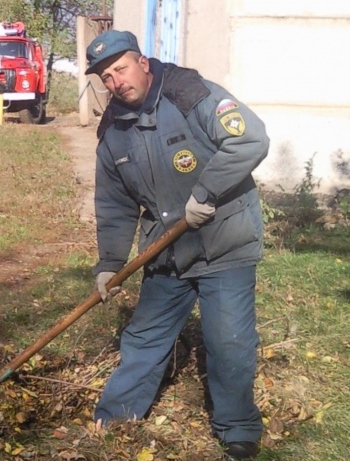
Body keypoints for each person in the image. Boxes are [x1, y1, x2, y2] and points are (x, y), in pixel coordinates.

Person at [85, 30, 269, 461]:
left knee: (229, 341)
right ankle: (114, 417)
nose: (116, 82)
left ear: (143, 62)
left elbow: (250, 139)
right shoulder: (113, 131)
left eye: (121, 69)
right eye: (106, 77)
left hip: (223, 240)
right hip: (167, 250)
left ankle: (238, 430)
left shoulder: (191, 93)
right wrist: (110, 262)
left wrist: (206, 193)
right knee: (144, 336)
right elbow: (113, 203)